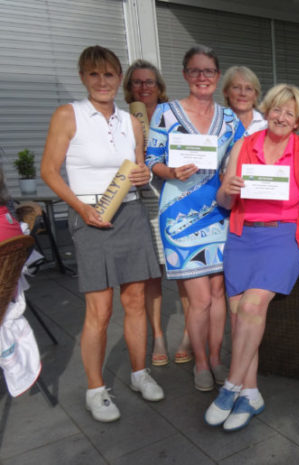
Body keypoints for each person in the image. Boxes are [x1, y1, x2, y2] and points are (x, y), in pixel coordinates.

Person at [40, 46, 164, 423]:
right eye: (94, 74)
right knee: (100, 308)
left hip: (130, 214)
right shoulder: (69, 115)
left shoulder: (131, 121)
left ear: (118, 78)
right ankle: (95, 389)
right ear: (83, 77)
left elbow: (139, 167)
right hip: (90, 217)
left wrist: (144, 173)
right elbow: (48, 171)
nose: (102, 81)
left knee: (135, 301)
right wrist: (80, 209)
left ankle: (139, 373)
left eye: (109, 74)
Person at [205, 83, 299, 431]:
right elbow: (224, 200)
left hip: (282, 236)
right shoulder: (244, 145)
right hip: (242, 235)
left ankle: (231, 385)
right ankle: (251, 394)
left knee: (251, 306)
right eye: (276, 109)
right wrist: (226, 190)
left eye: (289, 113)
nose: (281, 117)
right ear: (267, 111)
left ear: (298, 121)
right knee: (238, 315)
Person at [146, 45, 244, 391]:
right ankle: (200, 362)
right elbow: (151, 160)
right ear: (185, 74)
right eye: (195, 70)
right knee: (199, 298)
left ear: (217, 76)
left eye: (209, 71)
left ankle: (216, 358)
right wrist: (170, 171)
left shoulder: (230, 119)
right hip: (179, 214)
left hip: (219, 211)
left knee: (218, 293)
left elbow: (241, 159)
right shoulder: (165, 113)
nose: (202, 77)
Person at [123, 59, 175, 367]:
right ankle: (158, 335)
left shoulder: (173, 115)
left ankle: (187, 337)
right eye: (137, 82)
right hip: (143, 201)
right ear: (129, 87)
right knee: (152, 273)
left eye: (149, 82)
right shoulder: (122, 120)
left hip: (175, 196)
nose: (144, 87)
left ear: (159, 86)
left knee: (185, 273)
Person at [221, 66, 267, 136]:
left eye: (248, 89)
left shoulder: (266, 127)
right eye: (236, 87)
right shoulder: (216, 124)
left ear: (256, 95)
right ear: (226, 92)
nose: (243, 93)